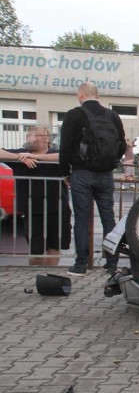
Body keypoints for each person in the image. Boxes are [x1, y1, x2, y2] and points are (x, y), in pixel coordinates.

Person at [59, 82, 126, 276]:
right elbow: (121, 145)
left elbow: (65, 147)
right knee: (108, 218)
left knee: (81, 218)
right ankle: (111, 263)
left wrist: (65, 173)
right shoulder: (112, 116)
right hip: (106, 174)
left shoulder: (74, 115)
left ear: (80, 96)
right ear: (98, 96)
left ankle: (80, 265)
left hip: (81, 173)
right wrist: (111, 161)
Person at [0, 127, 71, 266]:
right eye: (28, 135)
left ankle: (50, 277)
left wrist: (35, 157)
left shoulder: (55, 152)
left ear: (46, 138)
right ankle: (34, 276)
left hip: (58, 208)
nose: (30, 138)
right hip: (33, 211)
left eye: (35, 135)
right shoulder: (21, 154)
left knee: (54, 248)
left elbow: (65, 157)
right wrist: (19, 157)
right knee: (36, 252)